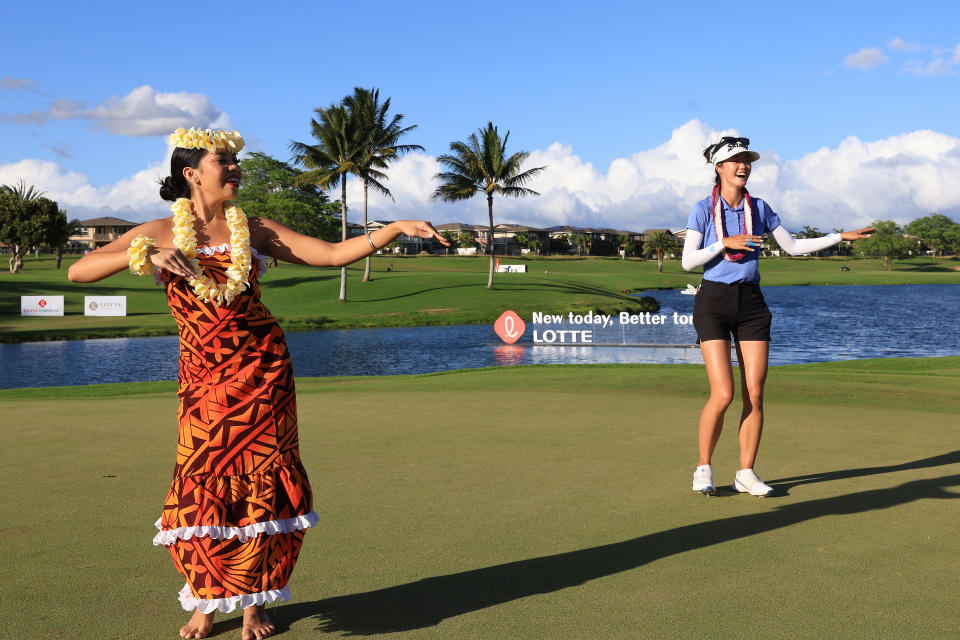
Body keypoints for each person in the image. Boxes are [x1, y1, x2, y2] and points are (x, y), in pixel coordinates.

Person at [68, 127, 449, 640]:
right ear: (191, 173)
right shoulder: (158, 231)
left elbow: (332, 254)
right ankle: (207, 601)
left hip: (265, 374)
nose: (234, 168)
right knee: (201, 481)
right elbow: (80, 270)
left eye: (234, 161)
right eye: (222, 160)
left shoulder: (256, 228)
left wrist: (394, 228)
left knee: (266, 487)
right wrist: (142, 255)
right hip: (205, 381)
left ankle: (253, 606)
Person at [681, 136, 873, 497]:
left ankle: (746, 473)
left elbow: (794, 246)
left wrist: (838, 237)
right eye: (736, 160)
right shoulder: (703, 210)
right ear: (719, 168)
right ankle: (703, 468)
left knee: (755, 392)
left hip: (751, 303)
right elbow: (688, 261)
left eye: (748, 160)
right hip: (713, 302)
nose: (744, 166)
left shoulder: (761, 207)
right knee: (723, 393)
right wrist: (725, 243)